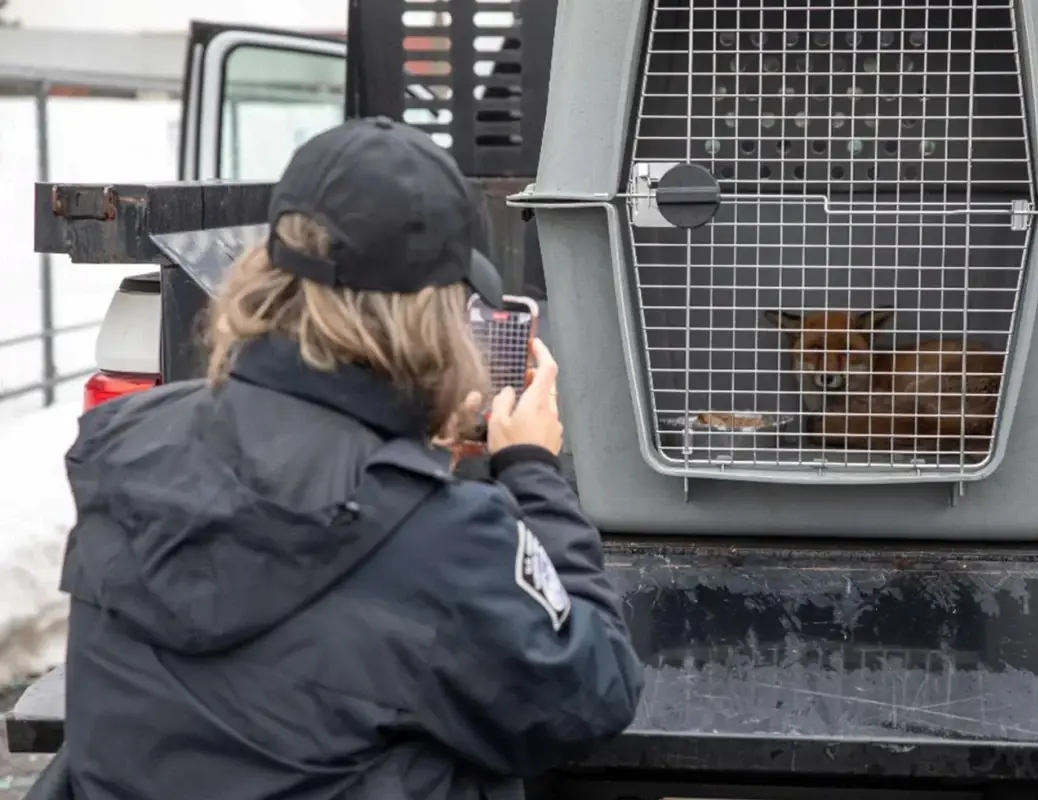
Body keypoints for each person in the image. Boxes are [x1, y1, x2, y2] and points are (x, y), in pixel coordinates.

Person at [41, 116, 644, 800]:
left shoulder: (126, 441)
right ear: (435, 317)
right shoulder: (441, 534)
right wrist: (531, 468)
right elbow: (593, 692)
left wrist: (402, 449)